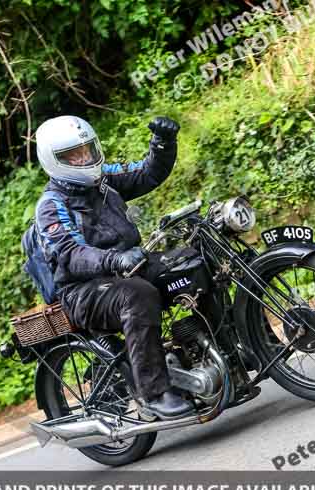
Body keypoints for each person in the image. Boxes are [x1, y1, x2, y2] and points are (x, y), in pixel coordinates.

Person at [33, 114, 194, 420]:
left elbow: (146, 173)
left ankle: (234, 349)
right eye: (73, 155)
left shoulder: (103, 180)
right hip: (83, 290)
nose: (83, 158)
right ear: (54, 161)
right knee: (138, 295)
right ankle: (155, 392)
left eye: (86, 149)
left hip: (127, 268)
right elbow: (71, 253)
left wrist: (162, 144)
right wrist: (114, 259)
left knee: (190, 262)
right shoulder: (52, 205)